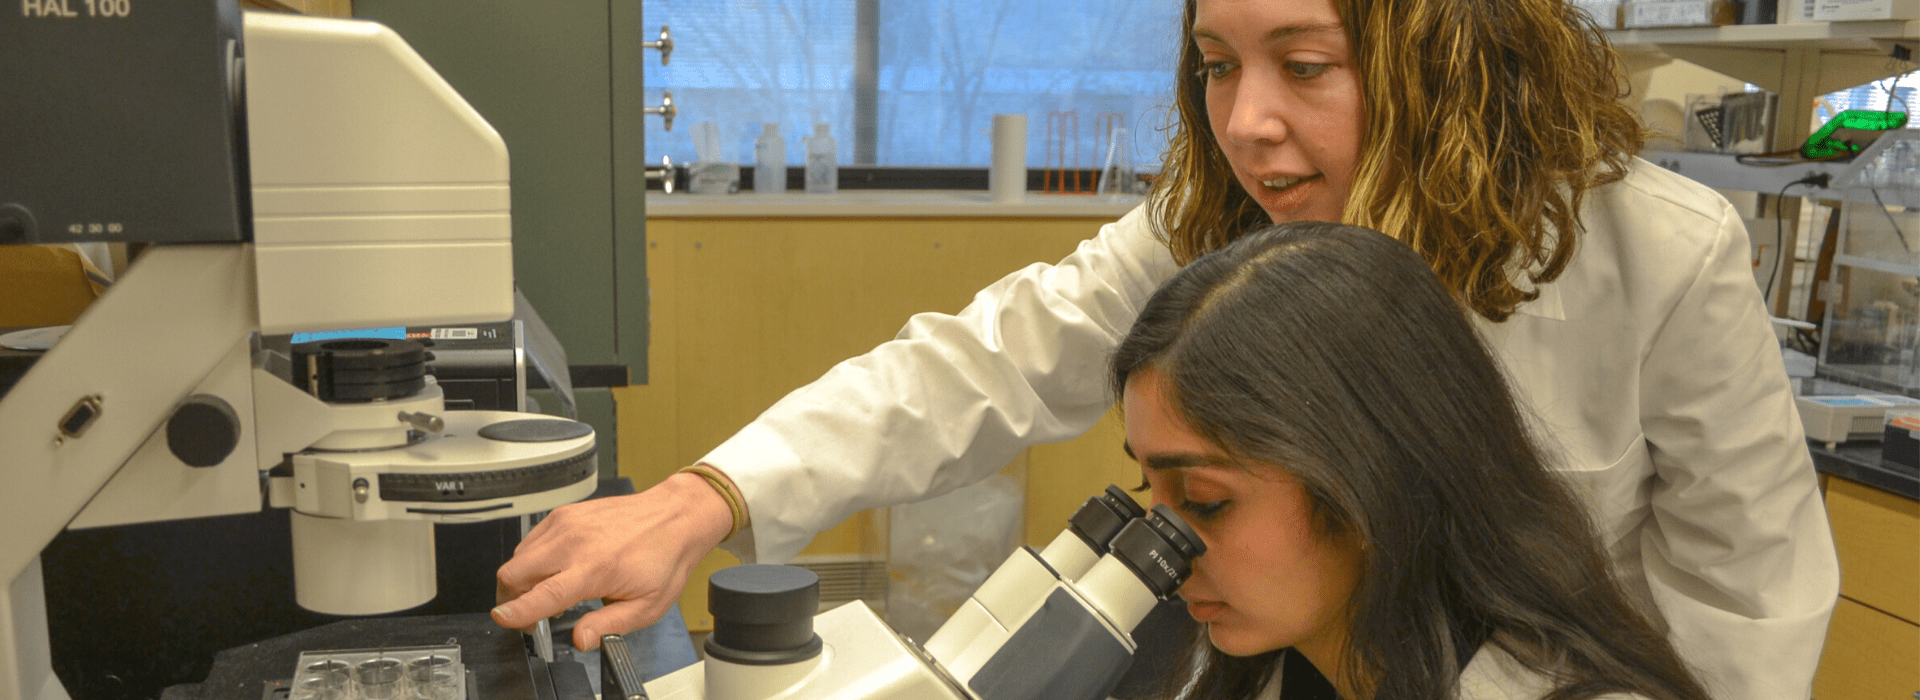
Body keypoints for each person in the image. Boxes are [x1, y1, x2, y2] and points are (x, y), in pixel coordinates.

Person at [496, 0, 1838, 696]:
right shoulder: (1224, 228)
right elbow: (985, 360)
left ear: (1443, 60)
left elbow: (1750, 610)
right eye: (1214, 61)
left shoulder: (1657, 256)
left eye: (1304, 65)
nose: (1247, 120)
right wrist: (707, 496)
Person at [1116, 221, 1712, 700]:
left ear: (1368, 478)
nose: (1161, 554)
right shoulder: (1257, 669)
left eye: (1203, 500)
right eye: (1150, 491)